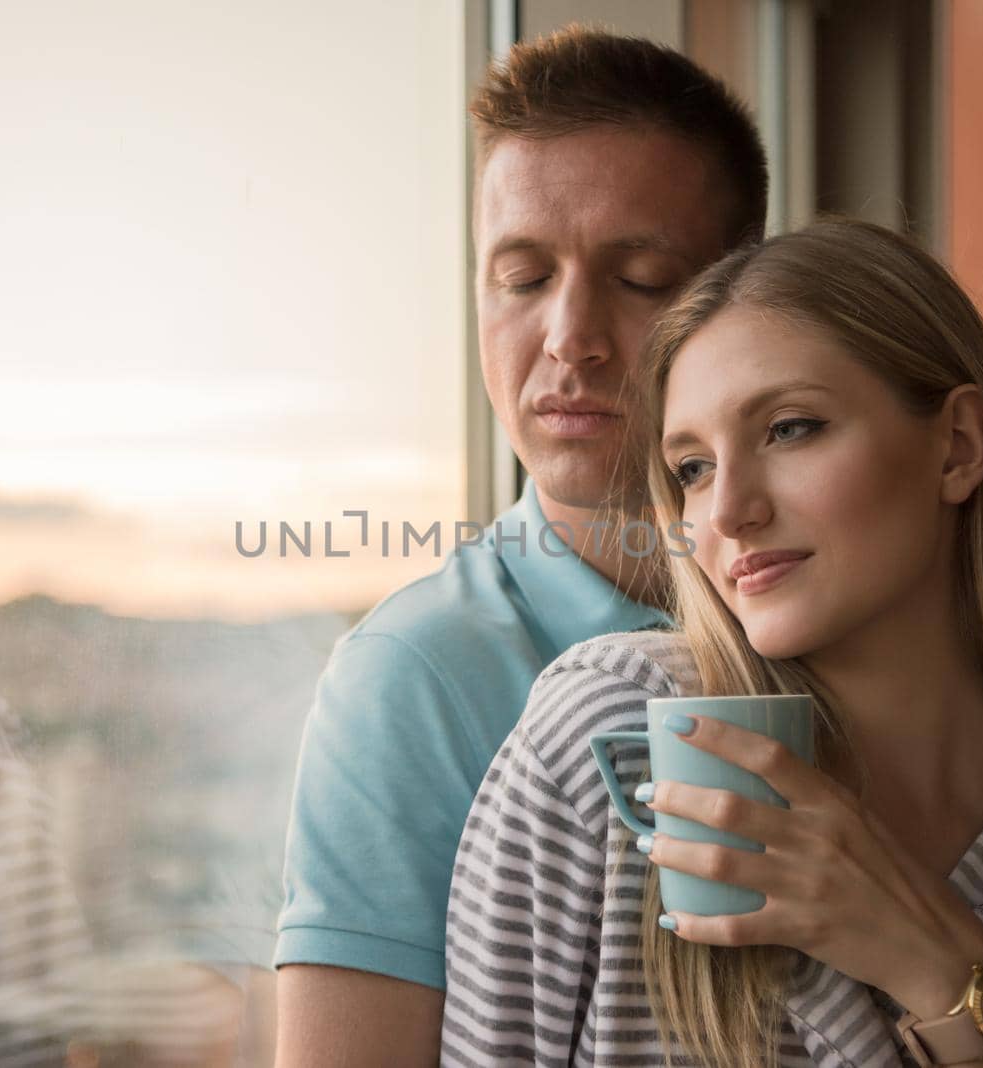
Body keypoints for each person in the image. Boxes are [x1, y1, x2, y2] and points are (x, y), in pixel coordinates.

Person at [441, 219, 983, 1067]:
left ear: (960, 445)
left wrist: (944, 969)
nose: (727, 513)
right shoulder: (614, 747)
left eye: (790, 428)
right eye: (692, 468)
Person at [272, 26, 769, 1066]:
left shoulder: (833, 610)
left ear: (738, 303)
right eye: (522, 276)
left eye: (637, 278)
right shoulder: (409, 677)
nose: (569, 336)